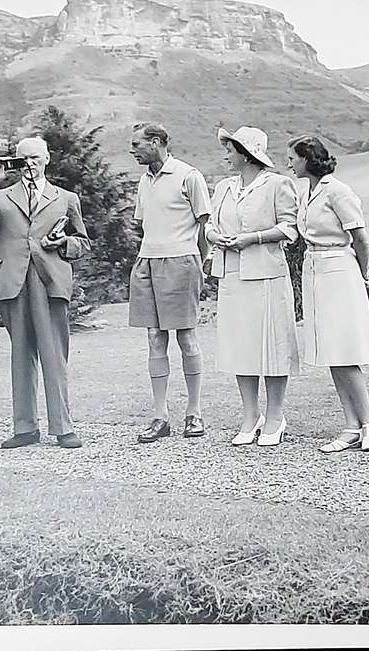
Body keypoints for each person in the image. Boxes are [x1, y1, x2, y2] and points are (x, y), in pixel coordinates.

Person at [0, 136, 91, 449]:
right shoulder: (1, 194)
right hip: (12, 279)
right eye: (23, 158)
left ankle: (63, 427)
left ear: (47, 158)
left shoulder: (66, 198)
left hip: (50, 280)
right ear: (16, 160)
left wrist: (63, 243)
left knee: (54, 355)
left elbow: (83, 243)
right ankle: (25, 428)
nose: (30, 163)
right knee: (21, 355)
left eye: (36, 157)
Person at [287, 134, 369, 452]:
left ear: (308, 158)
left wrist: (363, 272)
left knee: (344, 349)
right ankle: (351, 426)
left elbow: (361, 238)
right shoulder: (308, 192)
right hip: (314, 268)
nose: (289, 162)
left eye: (293, 157)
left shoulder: (338, 191)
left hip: (339, 268)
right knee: (332, 350)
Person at [207, 126, 300, 447]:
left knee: (273, 346)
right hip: (232, 275)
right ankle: (250, 415)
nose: (226, 155)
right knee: (240, 345)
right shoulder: (223, 187)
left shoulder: (278, 185)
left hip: (267, 276)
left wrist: (253, 238)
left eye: (230, 150)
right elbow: (209, 225)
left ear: (246, 154)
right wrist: (214, 236)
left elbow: (291, 228)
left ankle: (275, 415)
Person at [127, 121, 213, 443]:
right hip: (147, 261)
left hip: (182, 262)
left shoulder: (189, 176)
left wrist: (198, 263)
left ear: (157, 142)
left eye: (137, 144)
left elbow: (206, 226)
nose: (132, 149)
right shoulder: (144, 180)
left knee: (186, 337)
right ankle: (160, 416)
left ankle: (194, 413)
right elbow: (143, 225)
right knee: (154, 337)